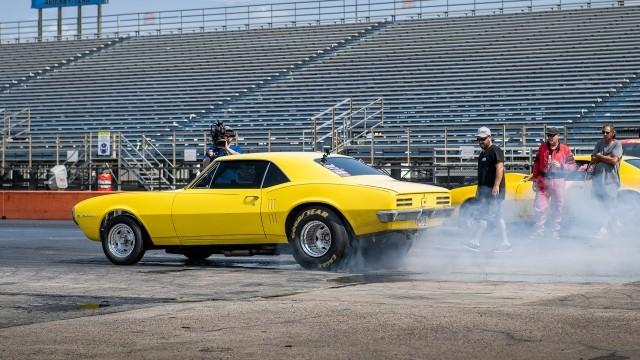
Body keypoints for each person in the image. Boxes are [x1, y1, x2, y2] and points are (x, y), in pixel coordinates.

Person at [464, 126, 511, 252]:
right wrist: (479, 189)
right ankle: (505, 243)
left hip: (495, 192)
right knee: (497, 217)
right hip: (485, 191)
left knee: (484, 216)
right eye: (479, 139)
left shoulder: (496, 150)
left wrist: (496, 185)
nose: (480, 142)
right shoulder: (482, 154)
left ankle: (475, 241)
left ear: (489, 137)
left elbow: (500, 168)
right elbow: (482, 174)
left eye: (483, 139)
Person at [529, 126, 576, 240]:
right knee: (539, 207)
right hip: (543, 180)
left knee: (557, 207)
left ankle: (555, 231)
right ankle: (538, 232)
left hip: (558, 180)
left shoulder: (565, 149)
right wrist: (534, 179)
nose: (550, 137)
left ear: (557, 136)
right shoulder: (542, 148)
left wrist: (561, 166)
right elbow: (536, 164)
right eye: (548, 135)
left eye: (552, 135)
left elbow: (573, 166)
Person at [590, 123, 622, 238]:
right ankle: (617, 225)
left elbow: (614, 160)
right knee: (601, 206)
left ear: (613, 133)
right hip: (598, 181)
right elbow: (592, 159)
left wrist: (600, 156)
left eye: (607, 132)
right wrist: (601, 157)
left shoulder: (617, 144)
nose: (604, 134)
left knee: (609, 206)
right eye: (603, 132)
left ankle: (603, 230)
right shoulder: (599, 143)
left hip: (611, 181)